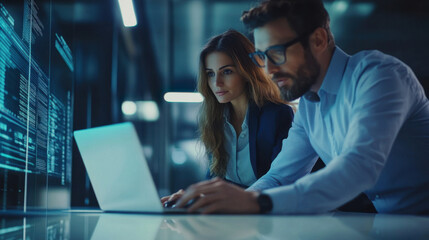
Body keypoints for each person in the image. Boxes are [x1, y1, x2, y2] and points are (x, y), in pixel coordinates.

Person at [174, 0, 429, 214]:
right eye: (261, 57)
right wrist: (222, 204)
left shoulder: (379, 76)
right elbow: (280, 176)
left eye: (276, 53)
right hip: (391, 222)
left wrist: (256, 202)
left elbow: (359, 166)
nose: (269, 70)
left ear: (318, 40)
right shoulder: (309, 106)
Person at [161, 30, 294, 206]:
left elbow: (282, 181)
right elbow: (215, 182)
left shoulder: (277, 115)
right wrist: (190, 196)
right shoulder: (213, 120)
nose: (217, 83)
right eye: (210, 73)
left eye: (227, 71)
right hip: (230, 217)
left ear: (247, 71)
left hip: (267, 217)